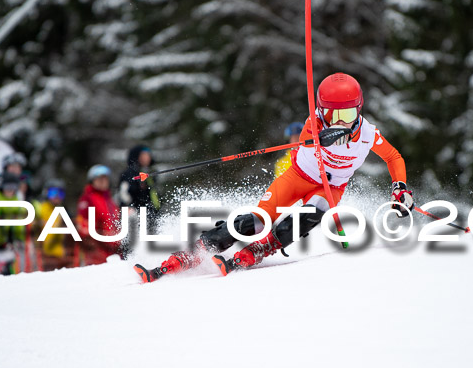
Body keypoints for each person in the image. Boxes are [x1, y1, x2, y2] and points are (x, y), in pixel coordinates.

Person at [134, 72, 415, 282]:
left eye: (348, 113)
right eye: (333, 114)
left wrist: (400, 189)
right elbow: (313, 135)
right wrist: (324, 136)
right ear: (322, 110)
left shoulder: (368, 134)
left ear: (359, 108)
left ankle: (264, 248)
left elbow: (394, 157)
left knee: (309, 215)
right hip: (297, 177)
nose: (341, 120)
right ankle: (193, 252)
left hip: (330, 188)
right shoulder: (314, 123)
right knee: (255, 221)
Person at [76, 165, 120, 266]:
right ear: (92, 181)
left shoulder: (109, 199)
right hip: (96, 253)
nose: (103, 181)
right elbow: (83, 227)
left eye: (105, 178)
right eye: (99, 179)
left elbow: (114, 222)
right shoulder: (88, 198)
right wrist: (100, 238)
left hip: (113, 251)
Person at [119, 144, 161, 233]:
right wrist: (129, 207)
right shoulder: (129, 174)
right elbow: (123, 193)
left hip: (152, 215)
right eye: (143, 155)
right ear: (136, 156)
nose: (147, 157)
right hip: (136, 217)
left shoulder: (150, 173)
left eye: (148, 155)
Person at [36, 179, 72, 271]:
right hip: (45, 257)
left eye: (60, 193)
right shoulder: (41, 209)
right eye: (53, 193)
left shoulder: (62, 212)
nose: (56, 197)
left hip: (60, 256)